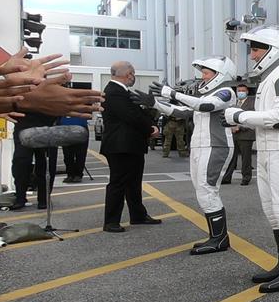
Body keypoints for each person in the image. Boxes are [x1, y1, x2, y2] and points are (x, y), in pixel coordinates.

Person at [222, 26, 279, 292]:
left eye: (257, 48)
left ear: (274, 49)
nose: (252, 55)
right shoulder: (272, 77)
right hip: (269, 150)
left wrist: (238, 116)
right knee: (273, 211)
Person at [142, 57, 238, 254]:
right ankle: (216, 237)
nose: (202, 77)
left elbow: (205, 106)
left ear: (219, 75)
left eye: (206, 73)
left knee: (207, 189)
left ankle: (219, 238)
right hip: (201, 146)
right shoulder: (202, 96)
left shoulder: (226, 92)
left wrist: (171, 92)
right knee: (202, 190)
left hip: (216, 146)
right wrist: (155, 103)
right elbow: (183, 111)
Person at [101, 61, 162, 233]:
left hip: (130, 145)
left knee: (133, 182)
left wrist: (151, 122)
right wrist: (150, 128)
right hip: (121, 145)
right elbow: (130, 116)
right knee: (118, 183)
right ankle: (111, 221)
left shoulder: (121, 91)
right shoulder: (114, 92)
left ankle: (138, 215)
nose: (133, 77)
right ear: (128, 74)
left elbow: (138, 113)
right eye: (133, 74)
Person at [6, 108, 56, 210]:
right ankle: (20, 197)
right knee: (20, 162)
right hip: (23, 124)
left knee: (45, 164)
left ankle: (44, 198)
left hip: (47, 125)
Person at [221, 83, 255, 186]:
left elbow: (252, 118)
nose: (240, 93)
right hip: (233, 134)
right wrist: (231, 126)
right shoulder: (234, 102)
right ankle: (227, 177)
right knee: (231, 157)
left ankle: (246, 177)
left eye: (242, 91)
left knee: (245, 158)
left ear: (247, 92)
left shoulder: (252, 103)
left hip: (246, 134)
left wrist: (239, 127)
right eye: (239, 91)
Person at [59, 113, 89, 182]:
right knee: (67, 154)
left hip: (80, 126)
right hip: (65, 128)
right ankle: (70, 174)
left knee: (80, 154)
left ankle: (78, 174)